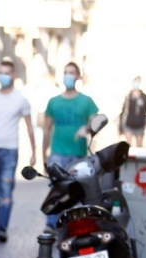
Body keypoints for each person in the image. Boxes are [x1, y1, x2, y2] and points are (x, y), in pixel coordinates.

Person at [0, 59, 36, 242]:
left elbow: (29, 127)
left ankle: (3, 228)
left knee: (6, 189)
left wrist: (34, 153)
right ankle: (0, 224)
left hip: (10, 150)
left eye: (6, 73)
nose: (3, 76)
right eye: (0, 72)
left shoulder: (20, 99)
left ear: (13, 75)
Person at [42, 62, 98, 233]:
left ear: (78, 76)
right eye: (66, 72)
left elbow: (96, 122)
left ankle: (80, 225)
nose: (68, 76)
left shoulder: (86, 101)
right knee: (56, 189)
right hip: (57, 153)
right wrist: (43, 154)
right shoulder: (53, 102)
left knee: (80, 189)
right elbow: (46, 129)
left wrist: (87, 128)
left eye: (72, 73)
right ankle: (51, 225)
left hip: (79, 154)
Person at [119, 76, 146, 147]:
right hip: (129, 123)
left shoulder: (144, 97)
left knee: (139, 146)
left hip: (140, 124)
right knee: (128, 145)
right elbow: (124, 110)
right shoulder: (128, 96)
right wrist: (120, 126)